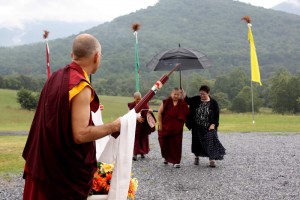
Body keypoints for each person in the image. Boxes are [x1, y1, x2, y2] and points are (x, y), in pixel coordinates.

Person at [22, 33, 121, 200]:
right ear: (97, 57)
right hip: (60, 174)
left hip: (42, 163)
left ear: (72, 55)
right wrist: (114, 126)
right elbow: (80, 135)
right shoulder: (80, 85)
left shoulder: (55, 78)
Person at [183, 85, 225, 168]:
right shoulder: (196, 99)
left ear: (208, 93)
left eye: (204, 94)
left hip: (208, 127)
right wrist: (183, 93)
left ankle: (211, 159)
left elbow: (216, 116)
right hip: (196, 126)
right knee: (196, 142)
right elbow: (187, 101)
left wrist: (213, 124)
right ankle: (196, 157)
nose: (202, 96)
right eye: (201, 94)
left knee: (210, 142)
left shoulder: (213, 103)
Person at [158, 87, 189, 168]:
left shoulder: (182, 103)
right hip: (165, 127)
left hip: (177, 129)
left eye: (177, 95)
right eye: (174, 94)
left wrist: (183, 96)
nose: (176, 96)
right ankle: (166, 157)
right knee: (164, 143)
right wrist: (160, 124)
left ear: (180, 95)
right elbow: (159, 113)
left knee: (176, 145)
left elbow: (186, 113)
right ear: (171, 94)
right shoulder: (165, 102)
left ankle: (176, 161)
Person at [128, 91, 156, 161]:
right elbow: (129, 114)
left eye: (140, 99)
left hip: (143, 124)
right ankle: (135, 154)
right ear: (134, 98)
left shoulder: (145, 104)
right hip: (135, 124)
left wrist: (149, 111)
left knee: (143, 138)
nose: (138, 100)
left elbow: (147, 113)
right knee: (135, 138)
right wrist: (137, 118)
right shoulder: (131, 105)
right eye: (137, 99)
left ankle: (142, 153)